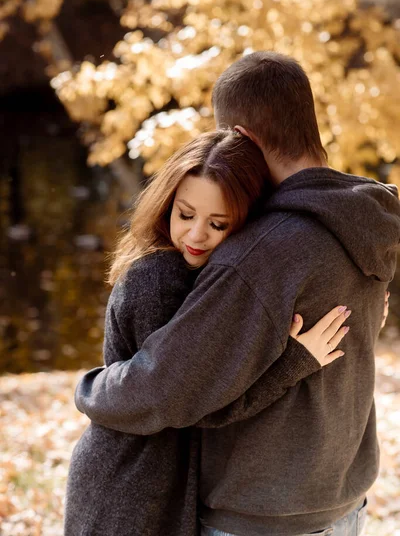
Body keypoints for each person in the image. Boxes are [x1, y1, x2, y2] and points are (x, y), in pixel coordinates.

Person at [75, 53, 400, 536]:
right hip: (342, 502)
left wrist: (91, 389)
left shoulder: (259, 254)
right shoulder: (367, 219)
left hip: (259, 515)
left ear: (243, 138)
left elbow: (165, 388)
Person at [65, 129, 349, 536]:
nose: (196, 236)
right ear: (166, 205)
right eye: (185, 215)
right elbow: (192, 402)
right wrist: (292, 363)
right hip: (131, 484)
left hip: (146, 473)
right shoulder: (161, 279)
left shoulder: (191, 275)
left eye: (218, 224)